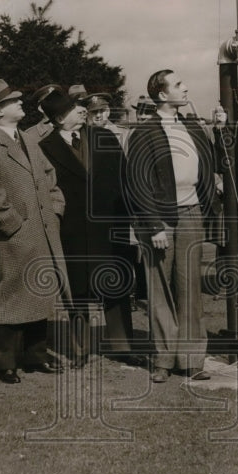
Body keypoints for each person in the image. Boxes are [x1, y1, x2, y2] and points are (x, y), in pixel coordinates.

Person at [0, 79, 69, 385]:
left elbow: (49, 175)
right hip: (13, 235)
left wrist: (54, 208)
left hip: (41, 231)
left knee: (39, 294)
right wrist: (13, 224)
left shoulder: (25, 138)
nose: (21, 104)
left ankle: (35, 356)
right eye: (14, 101)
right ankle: (6, 363)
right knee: (11, 297)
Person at [39, 88, 142, 367]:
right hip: (73, 231)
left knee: (117, 286)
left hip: (112, 226)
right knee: (79, 289)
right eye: (76, 108)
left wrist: (135, 219)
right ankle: (81, 348)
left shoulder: (105, 137)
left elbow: (126, 180)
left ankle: (122, 345)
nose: (83, 110)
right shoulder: (44, 148)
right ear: (60, 118)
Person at [125, 69, 215, 383]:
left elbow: (207, 165)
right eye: (178, 84)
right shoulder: (144, 133)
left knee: (190, 287)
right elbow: (138, 183)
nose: (186, 87)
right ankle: (163, 360)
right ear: (162, 95)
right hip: (160, 219)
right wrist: (154, 226)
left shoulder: (192, 126)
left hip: (192, 213)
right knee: (159, 289)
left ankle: (192, 360)